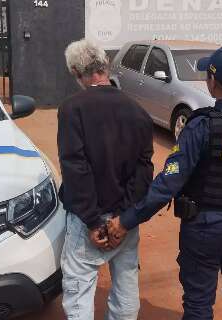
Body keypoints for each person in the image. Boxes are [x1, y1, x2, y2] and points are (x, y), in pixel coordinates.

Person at [108, 46, 222, 320]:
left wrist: (125, 221)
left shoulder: (202, 126)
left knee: (199, 304)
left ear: (214, 82)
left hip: (206, 229)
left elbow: (167, 185)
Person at [58, 39, 154, 320]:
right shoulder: (137, 111)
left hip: (89, 221)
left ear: (77, 72)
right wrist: (123, 219)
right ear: (106, 66)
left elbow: (75, 167)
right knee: (126, 285)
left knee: (79, 291)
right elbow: (144, 169)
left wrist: (91, 221)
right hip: (125, 222)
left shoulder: (72, 109)